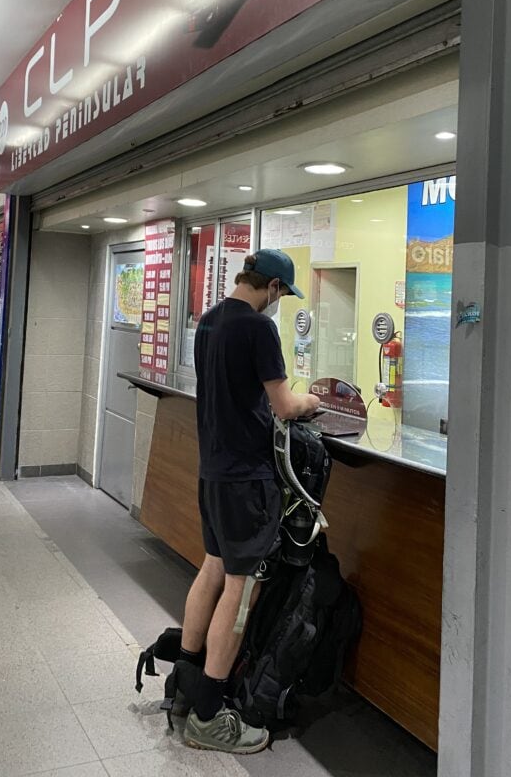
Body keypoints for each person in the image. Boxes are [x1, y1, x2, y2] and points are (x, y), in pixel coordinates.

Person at [181, 248, 321, 754]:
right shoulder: (260, 328)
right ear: (276, 289)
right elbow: (283, 404)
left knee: (211, 568)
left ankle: (186, 685)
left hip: (213, 471)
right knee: (240, 591)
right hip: (246, 480)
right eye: (283, 295)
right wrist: (311, 401)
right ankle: (208, 715)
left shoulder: (210, 320)